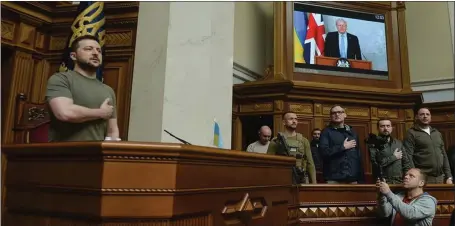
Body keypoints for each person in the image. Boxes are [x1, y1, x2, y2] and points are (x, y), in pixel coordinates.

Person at [46, 35, 119, 142]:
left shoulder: (108, 90)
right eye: (88, 49)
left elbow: (112, 131)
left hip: (96, 154)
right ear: (73, 56)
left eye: (99, 50)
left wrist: (112, 155)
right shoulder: (61, 79)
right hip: (64, 154)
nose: (95, 53)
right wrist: (101, 113)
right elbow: (64, 113)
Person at [403, 107, 452, 184]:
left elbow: (444, 155)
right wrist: (414, 176)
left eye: (427, 114)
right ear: (416, 117)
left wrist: (449, 176)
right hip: (423, 178)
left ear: (430, 117)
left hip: (441, 177)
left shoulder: (437, 133)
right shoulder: (411, 133)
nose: (425, 116)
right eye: (422, 114)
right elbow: (408, 156)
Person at [267, 112, 317, 184]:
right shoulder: (276, 141)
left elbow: (310, 164)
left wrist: (314, 183)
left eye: (296, 119)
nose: (294, 121)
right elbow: (269, 162)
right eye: (291, 119)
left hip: (301, 179)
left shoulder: (304, 141)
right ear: (284, 122)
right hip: (282, 179)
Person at [319, 105, 364, 184]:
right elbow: (324, 152)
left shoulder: (353, 132)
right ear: (330, 116)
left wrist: (360, 178)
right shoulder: (326, 132)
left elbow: (358, 156)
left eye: (339, 112)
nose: (337, 114)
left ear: (345, 115)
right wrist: (343, 147)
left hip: (352, 178)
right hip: (334, 178)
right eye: (334, 113)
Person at [369, 119, 411, 184]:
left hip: (400, 182)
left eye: (388, 126)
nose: (385, 128)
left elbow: (406, 163)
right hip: (383, 182)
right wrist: (394, 157)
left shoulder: (398, 143)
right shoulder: (373, 143)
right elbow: (376, 165)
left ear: (391, 128)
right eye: (382, 126)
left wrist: (408, 178)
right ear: (378, 128)